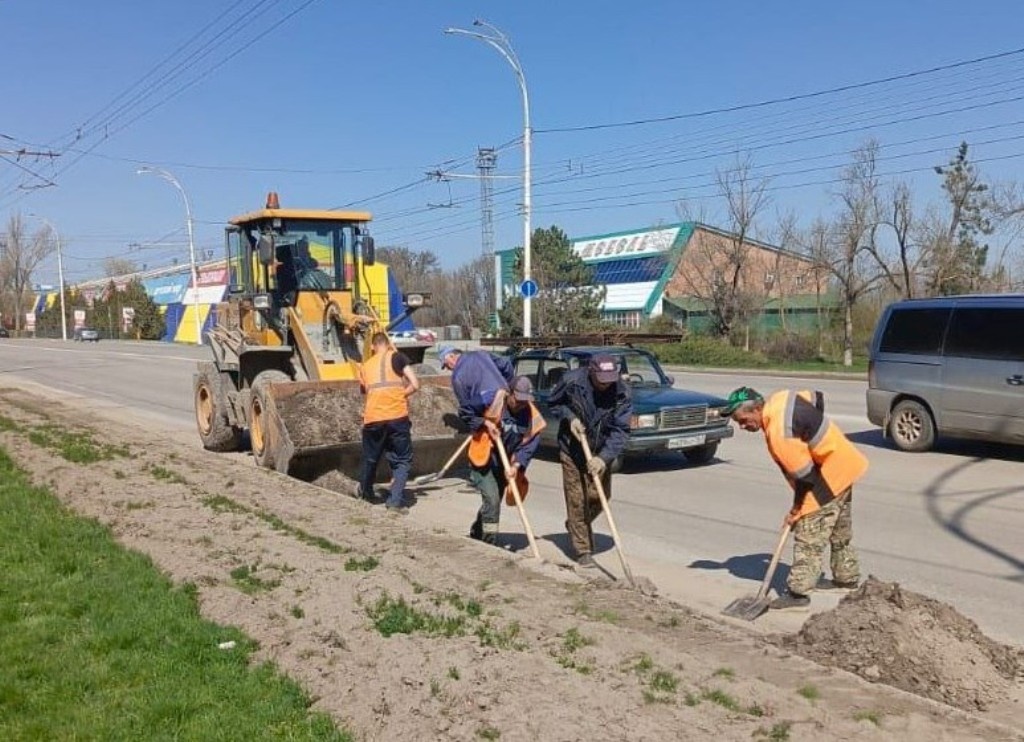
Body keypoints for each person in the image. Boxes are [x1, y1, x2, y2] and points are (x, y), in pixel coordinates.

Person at [724, 386, 869, 611]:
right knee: (839, 530)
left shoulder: (780, 434)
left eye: (743, 420)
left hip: (826, 478)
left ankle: (798, 594)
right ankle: (846, 577)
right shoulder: (780, 399)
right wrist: (813, 433)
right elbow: (816, 397)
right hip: (845, 462)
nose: (743, 427)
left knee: (808, 535)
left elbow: (805, 479)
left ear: (757, 408)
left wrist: (797, 510)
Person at [548, 353, 632, 568]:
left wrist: (603, 459)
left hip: (600, 449)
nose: (606, 385)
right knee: (577, 499)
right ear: (591, 372)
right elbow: (553, 403)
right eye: (601, 380)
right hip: (572, 448)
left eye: (610, 379)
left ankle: (575, 525)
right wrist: (570, 417)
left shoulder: (621, 392)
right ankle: (583, 550)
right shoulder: (572, 381)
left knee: (599, 497)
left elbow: (621, 430)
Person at [437, 344, 517, 545]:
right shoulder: (482, 354)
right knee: (493, 497)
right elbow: (506, 365)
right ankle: (487, 540)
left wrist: (481, 422)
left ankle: (482, 533)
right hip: (504, 411)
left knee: (493, 497)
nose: (448, 369)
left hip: (490, 420)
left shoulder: (458, 378)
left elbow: (466, 412)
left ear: (452, 357)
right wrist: (506, 388)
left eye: (446, 365)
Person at [358, 332, 420, 514]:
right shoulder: (398, 357)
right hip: (397, 417)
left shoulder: (365, 366)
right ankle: (394, 502)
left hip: (373, 418)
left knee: (371, 458)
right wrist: (401, 394)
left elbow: (364, 390)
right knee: (402, 460)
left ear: (373, 347)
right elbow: (416, 384)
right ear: (388, 344)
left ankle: (366, 493)